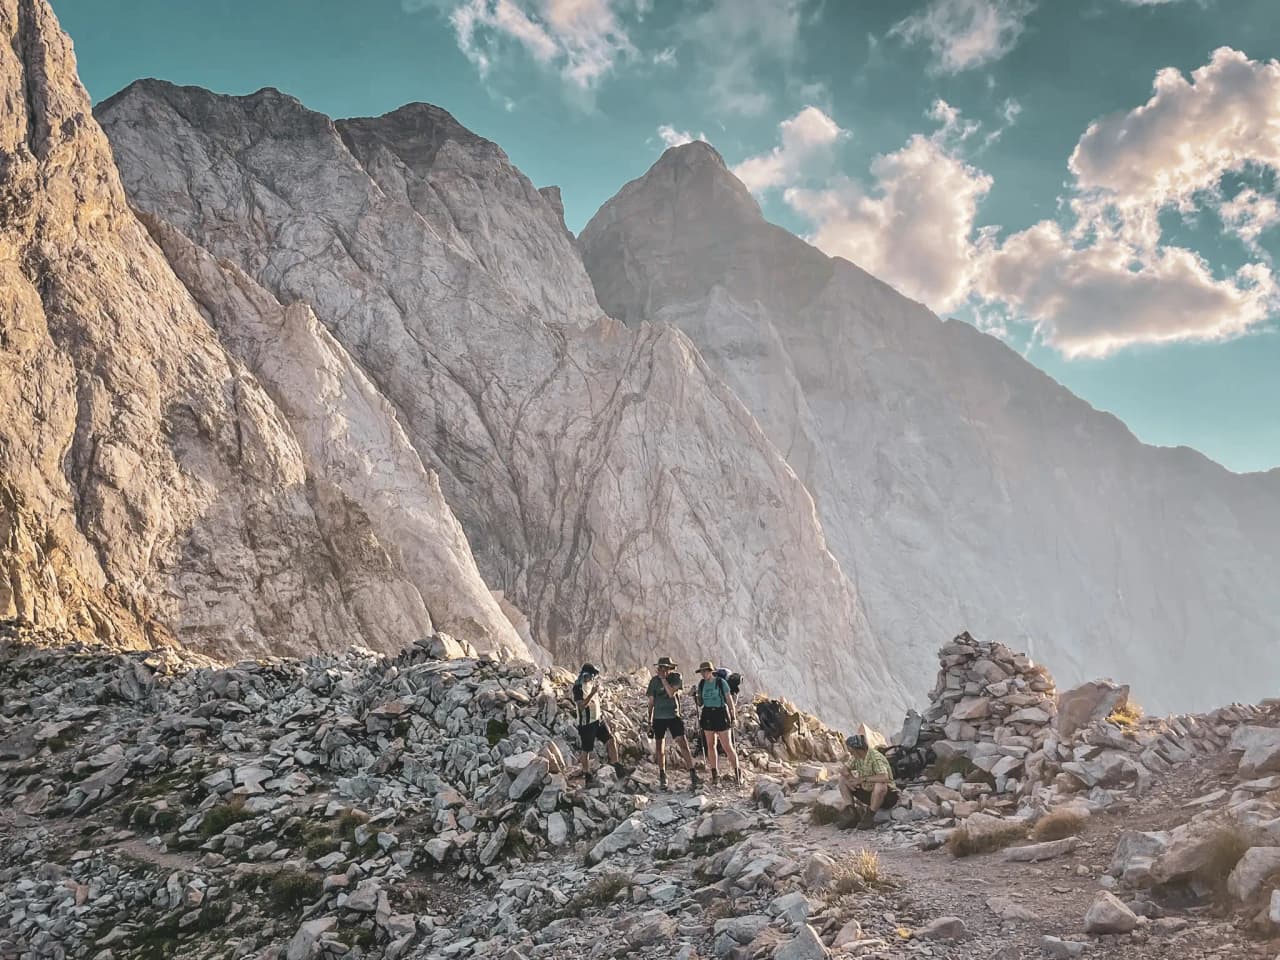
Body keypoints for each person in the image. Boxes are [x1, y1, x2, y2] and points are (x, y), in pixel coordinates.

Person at [645, 657, 701, 791]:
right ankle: (662, 775)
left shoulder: (676, 677)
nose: (661, 670)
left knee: (682, 743)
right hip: (658, 717)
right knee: (659, 747)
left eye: (664, 668)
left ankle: (692, 772)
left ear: (670, 668)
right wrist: (649, 721)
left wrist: (664, 679)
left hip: (673, 715)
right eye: (660, 667)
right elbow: (651, 702)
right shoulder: (653, 681)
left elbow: (671, 693)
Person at [572, 663, 621, 781]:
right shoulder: (578, 687)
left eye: (593, 676)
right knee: (586, 749)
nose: (591, 678)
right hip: (586, 723)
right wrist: (592, 693)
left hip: (597, 719)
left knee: (610, 740)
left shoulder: (591, 683)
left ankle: (618, 768)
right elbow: (581, 706)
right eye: (589, 676)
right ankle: (587, 775)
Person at [694, 660, 740, 785]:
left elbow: (729, 700)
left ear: (711, 671)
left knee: (727, 746)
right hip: (708, 714)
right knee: (710, 744)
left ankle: (737, 772)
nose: (703, 674)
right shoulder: (702, 684)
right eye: (702, 672)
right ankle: (715, 773)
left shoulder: (721, 682)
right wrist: (696, 696)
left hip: (720, 713)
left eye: (705, 671)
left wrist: (733, 716)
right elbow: (700, 703)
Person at [840, 733, 899, 829]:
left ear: (856, 749)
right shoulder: (856, 758)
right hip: (869, 792)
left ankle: (870, 816)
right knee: (842, 780)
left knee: (880, 784)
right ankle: (851, 812)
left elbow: (885, 777)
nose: (849, 752)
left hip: (887, 796)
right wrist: (849, 777)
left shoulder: (875, 757)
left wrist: (863, 779)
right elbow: (844, 769)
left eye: (850, 749)